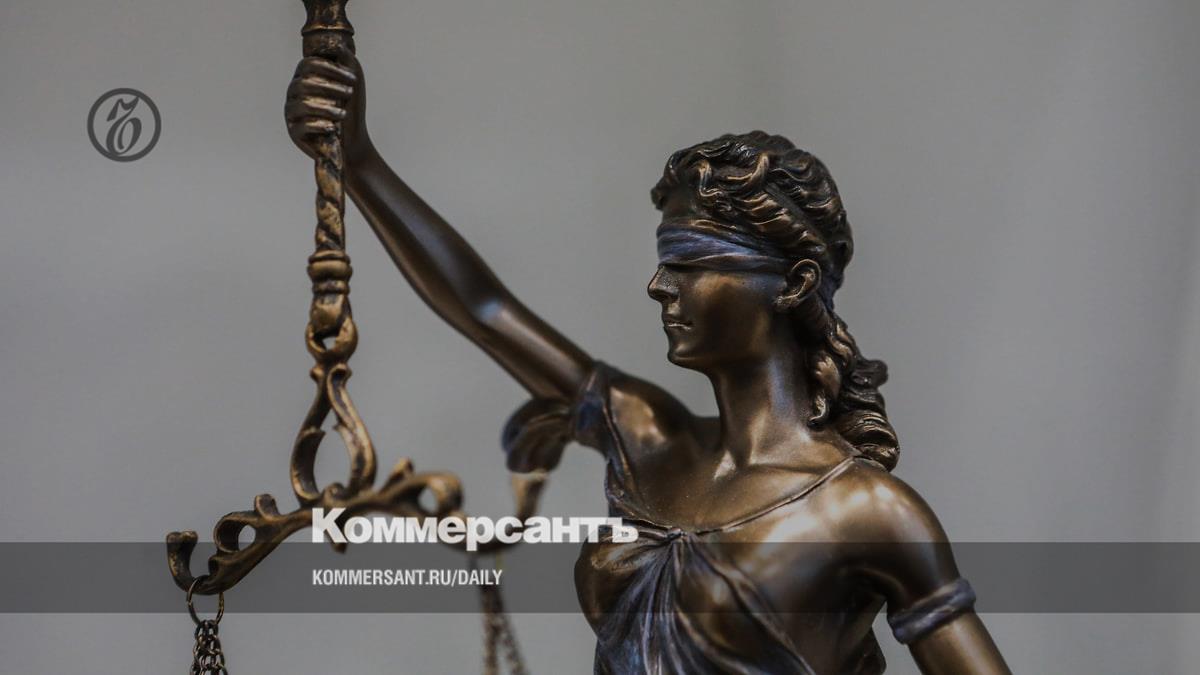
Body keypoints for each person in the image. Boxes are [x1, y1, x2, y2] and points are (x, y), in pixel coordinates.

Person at [285, 50, 1011, 675]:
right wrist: (358, 160)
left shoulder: (868, 512)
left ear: (793, 283)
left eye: (691, 262)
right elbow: (486, 309)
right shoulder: (647, 438)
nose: (660, 285)